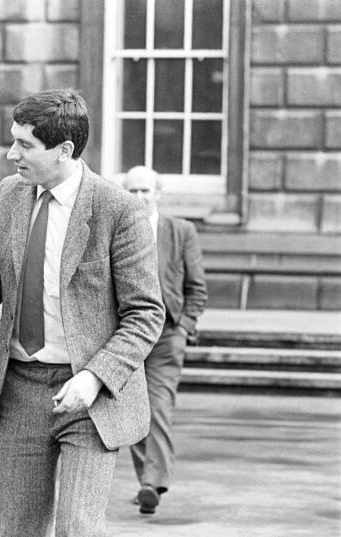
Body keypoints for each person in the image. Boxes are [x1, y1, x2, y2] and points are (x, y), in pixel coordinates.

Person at [0, 88, 165, 536]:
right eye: (13, 140)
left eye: (24, 144)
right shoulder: (10, 195)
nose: (10, 153)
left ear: (64, 150)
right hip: (20, 388)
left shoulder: (119, 210)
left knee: (78, 528)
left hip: (91, 395)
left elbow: (145, 314)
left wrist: (94, 377)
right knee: (18, 528)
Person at [123, 165, 208, 515]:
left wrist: (184, 328)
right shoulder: (118, 230)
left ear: (158, 193)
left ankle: (150, 483)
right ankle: (149, 479)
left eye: (146, 191)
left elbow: (196, 288)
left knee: (157, 406)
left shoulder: (181, 231)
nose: (140, 197)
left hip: (167, 334)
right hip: (127, 335)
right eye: (133, 191)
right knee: (133, 411)